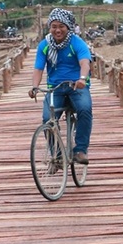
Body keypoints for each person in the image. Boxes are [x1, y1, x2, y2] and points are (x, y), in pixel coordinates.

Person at [28, 8, 93, 164]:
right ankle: (56, 155)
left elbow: (85, 62)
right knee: (47, 119)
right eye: (54, 26)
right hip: (55, 88)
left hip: (76, 86)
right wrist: (34, 86)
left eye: (61, 26)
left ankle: (80, 150)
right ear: (49, 27)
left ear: (68, 27)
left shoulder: (76, 42)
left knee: (84, 109)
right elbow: (38, 68)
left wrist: (82, 79)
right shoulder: (44, 45)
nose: (57, 30)